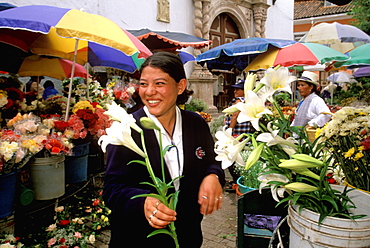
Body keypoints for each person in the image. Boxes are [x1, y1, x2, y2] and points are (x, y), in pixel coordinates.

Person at [102, 52, 225, 248]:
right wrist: (141, 202)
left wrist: (213, 176)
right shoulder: (127, 128)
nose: (149, 91)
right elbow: (112, 189)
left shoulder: (196, 124)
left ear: (180, 86)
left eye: (159, 83)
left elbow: (212, 161)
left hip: (187, 237)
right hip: (137, 240)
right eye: (143, 84)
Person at [224, 79, 256, 191]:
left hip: (236, 135)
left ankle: (236, 182)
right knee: (239, 160)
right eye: (235, 88)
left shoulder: (239, 103)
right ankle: (238, 181)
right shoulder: (247, 102)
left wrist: (229, 131)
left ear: (245, 90)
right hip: (244, 134)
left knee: (232, 160)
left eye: (239, 89)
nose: (235, 91)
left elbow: (234, 117)